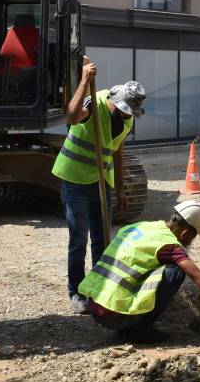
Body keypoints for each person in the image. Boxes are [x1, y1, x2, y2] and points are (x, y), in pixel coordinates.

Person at [52, 60, 147, 313]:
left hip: (101, 182)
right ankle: (76, 291)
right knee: (79, 239)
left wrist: (120, 185)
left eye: (131, 113)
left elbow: (117, 149)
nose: (127, 115)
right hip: (75, 179)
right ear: (115, 100)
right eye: (124, 110)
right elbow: (72, 118)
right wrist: (84, 80)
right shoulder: (94, 102)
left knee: (103, 240)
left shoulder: (127, 118)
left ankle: (99, 287)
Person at [79, 200, 200, 334]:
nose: (189, 243)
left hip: (94, 305)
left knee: (158, 266)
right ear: (186, 234)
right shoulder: (170, 246)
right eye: (191, 239)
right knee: (176, 271)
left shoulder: (143, 226)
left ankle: (131, 320)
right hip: (112, 315)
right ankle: (138, 331)